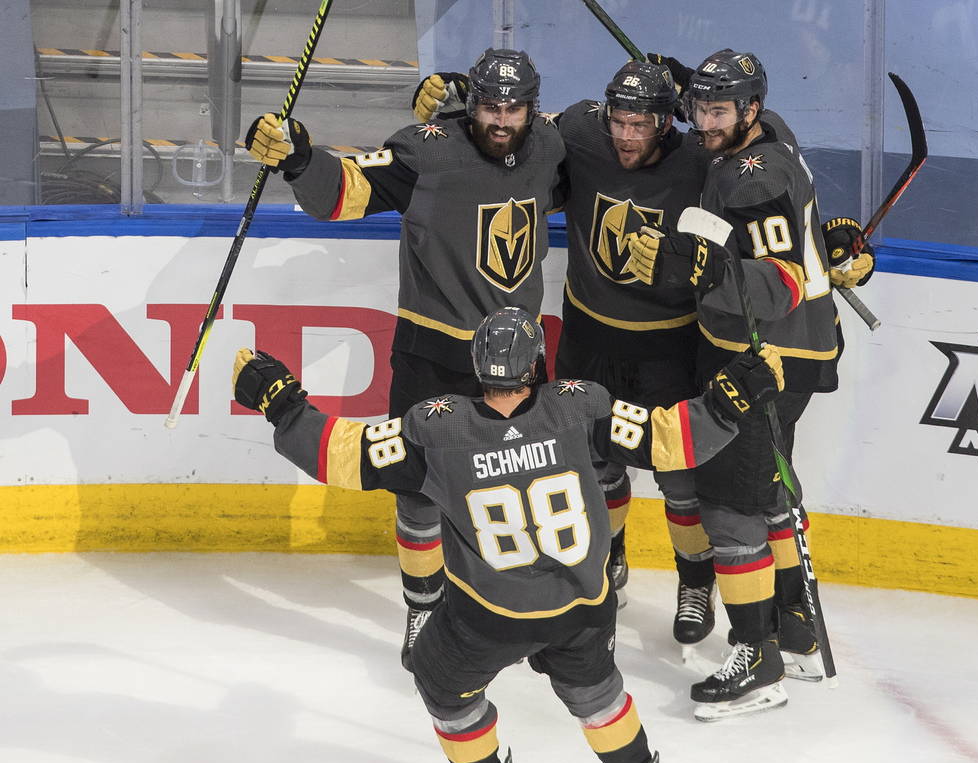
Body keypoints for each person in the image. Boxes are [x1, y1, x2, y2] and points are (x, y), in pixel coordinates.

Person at [230, 306, 785, 763]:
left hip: (491, 616)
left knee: (441, 684)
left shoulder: (436, 429)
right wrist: (729, 397)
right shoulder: (580, 407)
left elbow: (339, 453)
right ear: (538, 363)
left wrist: (281, 401)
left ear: (478, 365)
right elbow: (673, 439)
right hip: (584, 605)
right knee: (597, 693)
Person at [243, 48, 567, 670]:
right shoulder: (428, 151)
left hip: (520, 353)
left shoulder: (550, 144)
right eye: (491, 106)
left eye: (515, 106)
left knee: (524, 481)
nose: (503, 119)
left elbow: (610, 145)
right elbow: (344, 194)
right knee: (417, 490)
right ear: (471, 105)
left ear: (532, 105)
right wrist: (299, 157)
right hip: (433, 351)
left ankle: (524, 604)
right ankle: (424, 603)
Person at [413, 60, 720, 649]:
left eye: (641, 125)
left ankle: (695, 580)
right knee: (596, 468)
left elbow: (764, 156)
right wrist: (450, 106)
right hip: (588, 338)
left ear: (667, 121)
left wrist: (824, 242)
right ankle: (612, 559)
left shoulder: (700, 162)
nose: (626, 136)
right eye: (620, 122)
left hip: (668, 345)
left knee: (679, 475)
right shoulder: (580, 131)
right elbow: (507, 134)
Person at [626, 49, 875, 720]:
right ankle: (792, 627)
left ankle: (755, 658)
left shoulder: (754, 179)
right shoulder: (772, 134)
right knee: (765, 489)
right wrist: (683, 79)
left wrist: (696, 266)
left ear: (749, 112)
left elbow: (781, 280)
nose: (702, 123)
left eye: (715, 111)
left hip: (768, 355)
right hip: (785, 348)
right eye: (697, 109)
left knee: (727, 498)